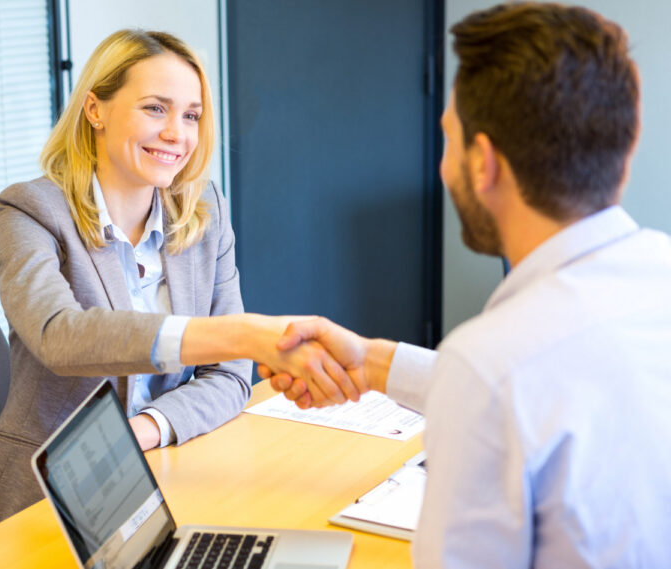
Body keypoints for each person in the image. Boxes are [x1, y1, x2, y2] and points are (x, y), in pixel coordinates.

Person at [262, 3, 671, 567]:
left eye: (448, 138)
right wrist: (374, 362)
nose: (442, 165)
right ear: (626, 148)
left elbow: (506, 387)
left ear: (483, 163)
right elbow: (546, 393)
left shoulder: (491, 365)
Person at [0, 29, 355, 531]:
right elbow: (60, 336)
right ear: (95, 109)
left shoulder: (204, 214)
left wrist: (144, 430)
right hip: (43, 500)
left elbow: (229, 376)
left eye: (191, 115)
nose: (177, 134)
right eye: (155, 109)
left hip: (164, 476)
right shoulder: (29, 212)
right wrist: (244, 335)